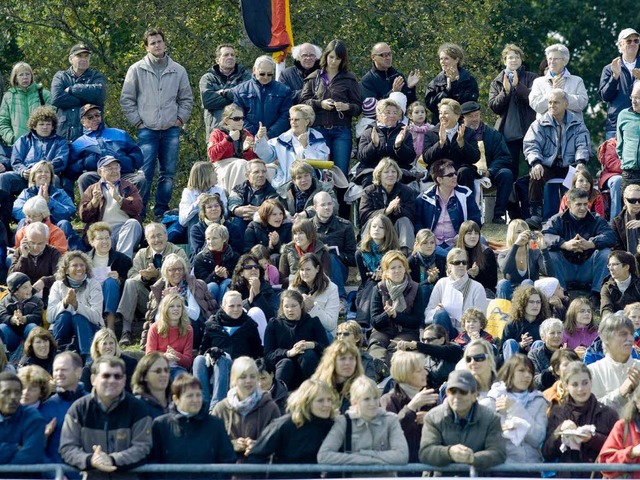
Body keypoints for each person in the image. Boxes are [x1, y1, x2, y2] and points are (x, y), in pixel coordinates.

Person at [120, 27, 194, 219]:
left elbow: (186, 98)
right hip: (147, 130)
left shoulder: (178, 70)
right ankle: (140, 212)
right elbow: (127, 99)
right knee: (144, 175)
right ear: (146, 47)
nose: (157, 45)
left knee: (168, 175)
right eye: (152, 43)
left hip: (171, 129)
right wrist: (137, 122)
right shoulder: (136, 69)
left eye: (159, 41)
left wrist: (180, 119)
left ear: (165, 43)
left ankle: (161, 212)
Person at [59, 356, 152, 478]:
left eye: (117, 376)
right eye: (106, 376)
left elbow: (143, 447)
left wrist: (112, 459)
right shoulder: (78, 408)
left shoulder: (138, 408)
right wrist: (91, 460)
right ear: (93, 379)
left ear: (124, 380)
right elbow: (67, 448)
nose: (112, 380)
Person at [116, 222, 190, 346]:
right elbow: (131, 274)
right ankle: (126, 331)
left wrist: (158, 276)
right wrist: (144, 277)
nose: (156, 240)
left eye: (159, 235)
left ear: (166, 236)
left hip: (170, 299)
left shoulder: (178, 251)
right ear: (147, 240)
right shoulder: (142, 254)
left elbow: (185, 273)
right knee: (130, 283)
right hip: (147, 300)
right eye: (152, 237)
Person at [524, 89, 591, 223]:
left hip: (571, 165)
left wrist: (580, 162)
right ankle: (536, 214)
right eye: (549, 102)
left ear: (566, 103)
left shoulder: (577, 123)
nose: (551, 106)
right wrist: (536, 162)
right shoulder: (539, 124)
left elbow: (583, 145)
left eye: (556, 102)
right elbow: (531, 145)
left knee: (581, 176)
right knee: (535, 174)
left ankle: (575, 213)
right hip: (548, 165)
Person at [419, 369, 506, 471]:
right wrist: (449, 452)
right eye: (453, 391)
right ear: (447, 393)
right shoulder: (433, 417)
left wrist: (473, 458)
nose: (457, 396)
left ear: (474, 395)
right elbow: (425, 452)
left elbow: (498, 453)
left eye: (463, 392)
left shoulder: (491, 418)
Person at [247, 378, 336, 478]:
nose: (327, 405)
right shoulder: (284, 424)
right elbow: (256, 456)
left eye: (329, 400)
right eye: (320, 400)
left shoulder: (333, 426)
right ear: (306, 402)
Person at [542, 188, 616, 307]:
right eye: (578, 204)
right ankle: (562, 294)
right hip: (565, 269)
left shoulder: (596, 219)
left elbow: (611, 236)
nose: (583, 208)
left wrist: (591, 244)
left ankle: (596, 294)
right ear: (569, 204)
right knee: (551, 253)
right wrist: (565, 244)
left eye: (585, 204)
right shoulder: (557, 219)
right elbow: (545, 236)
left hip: (588, 269)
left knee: (605, 252)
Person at [151, 373, 236, 475]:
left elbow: (227, 459)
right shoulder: (161, 425)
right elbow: (152, 464)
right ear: (176, 399)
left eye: (198, 395)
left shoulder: (216, 425)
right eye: (190, 396)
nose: (195, 400)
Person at [318, 375, 409, 470]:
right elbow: (324, 456)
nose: (373, 403)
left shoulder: (391, 420)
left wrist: (368, 454)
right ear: (354, 402)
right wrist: (361, 460)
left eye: (375, 398)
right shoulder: (343, 422)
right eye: (366, 399)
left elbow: (402, 456)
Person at [543, 361, 618, 474]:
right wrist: (559, 432)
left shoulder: (608, 414)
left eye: (585, 383)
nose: (581, 389)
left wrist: (592, 438)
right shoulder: (557, 412)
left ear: (591, 382)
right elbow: (547, 453)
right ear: (566, 386)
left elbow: (618, 450)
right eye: (575, 384)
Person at [300, 39, 362, 176]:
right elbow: (303, 103)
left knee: (340, 172)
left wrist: (347, 106)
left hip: (341, 131)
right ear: (326, 56)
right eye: (331, 57)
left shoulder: (349, 79)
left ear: (343, 60)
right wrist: (320, 104)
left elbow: (358, 107)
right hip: (318, 130)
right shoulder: (314, 77)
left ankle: (340, 198)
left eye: (338, 58)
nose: (333, 61)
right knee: (319, 171)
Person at [0, 106, 68, 228]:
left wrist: (42, 170)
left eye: (48, 124)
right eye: (41, 124)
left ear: (53, 126)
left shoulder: (60, 142)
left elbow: (61, 160)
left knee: (56, 179)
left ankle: (54, 222)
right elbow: (15, 161)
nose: (45, 127)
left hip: (47, 176)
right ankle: (4, 221)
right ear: (34, 126)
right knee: (4, 178)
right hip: (25, 176)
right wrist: (23, 171)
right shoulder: (24, 140)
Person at [194, 290, 262, 411]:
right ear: (223, 306)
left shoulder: (249, 325)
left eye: (239, 305)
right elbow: (202, 350)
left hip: (237, 368)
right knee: (198, 360)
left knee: (223, 359)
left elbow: (257, 353)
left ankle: (216, 407)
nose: (236, 309)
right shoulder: (212, 324)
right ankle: (202, 403)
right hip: (213, 367)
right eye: (231, 306)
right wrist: (210, 353)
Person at [480, 354, 547, 470]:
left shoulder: (539, 401)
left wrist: (514, 408)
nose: (527, 376)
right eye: (521, 370)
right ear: (510, 372)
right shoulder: (491, 402)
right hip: (501, 469)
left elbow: (537, 438)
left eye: (530, 372)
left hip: (532, 468)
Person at [68, 103, 146, 197]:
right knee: (84, 178)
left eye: (97, 115)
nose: (95, 119)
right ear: (83, 122)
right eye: (90, 117)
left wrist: (127, 161)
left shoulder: (120, 133)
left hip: (122, 174)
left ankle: (133, 210)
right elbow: (70, 169)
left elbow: (138, 154)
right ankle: (90, 210)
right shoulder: (78, 143)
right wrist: (85, 163)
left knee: (140, 180)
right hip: (97, 176)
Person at [211, 356, 281, 459]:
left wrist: (260, 446)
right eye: (243, 377)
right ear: (234, 379)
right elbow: (211, 444)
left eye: (252, 376)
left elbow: (279, 445)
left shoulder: (270, 408)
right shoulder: (220, 409)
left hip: (260, 472)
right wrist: (232, 445)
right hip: (227, 472)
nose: (248, 381)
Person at [144, 252, 216, 350]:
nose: (177, 272)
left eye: (179, 269)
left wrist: (177, 298)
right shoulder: (159, 289)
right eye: (172, 270)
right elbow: (157, 319)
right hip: (166, 335)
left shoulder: (192, 285)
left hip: (190, 330)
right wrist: (167, 300)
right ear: (166, 271)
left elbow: (195, 315)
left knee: (187, 321)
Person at [488, 44, 538, 178]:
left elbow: (535, 101)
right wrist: (506, 91)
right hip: (508, 134)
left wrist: (517, 86)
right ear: (504, 61)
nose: (514, 60)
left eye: (517, 57)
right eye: (510, 58)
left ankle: (534, 199)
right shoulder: (497, 81)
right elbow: (494, 107)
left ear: (521, 60)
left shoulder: (532, 78)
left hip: (529, 132)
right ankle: (512, 199)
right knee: (510, 171)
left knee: (536, 169)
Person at [460, 100, 515, 224]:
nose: (474, 119)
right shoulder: (460, 135)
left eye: (477, 115)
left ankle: (498, 214)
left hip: (490, 173)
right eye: (470, 116)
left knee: (506, 174)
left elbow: (504, 157)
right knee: (463, 172)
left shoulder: (493, 134)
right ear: (462, 118)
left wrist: (491, 171)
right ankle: (470, 214)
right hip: (468, 172)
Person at [78, 155, 143, 257]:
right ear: (100, 172)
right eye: (109, 168)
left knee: (133, 223)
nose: (114, 171)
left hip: (126, 232)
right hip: (105, 233)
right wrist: (94, 202)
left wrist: (119, 199)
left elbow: (137, 208)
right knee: (100, 234)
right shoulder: (92, 189)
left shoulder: (129, 187)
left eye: (116, 167)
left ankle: (123, 262)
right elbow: (83, 217)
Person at [380, 350, 438, 463]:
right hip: (401, 468)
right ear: (405, 374)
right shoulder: (388, 400)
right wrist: (411, 408)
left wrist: (431, 418)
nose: (425, 373)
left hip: (427, 465)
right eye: (419, 370)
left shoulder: (429, 397)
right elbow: (389, 432)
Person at [264, 290, 329, 390]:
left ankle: (315, 391)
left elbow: (327, 349)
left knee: (308, 355)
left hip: (307, 370)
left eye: (294, 306)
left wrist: (311, 345)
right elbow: (268, 354)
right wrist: (288, 353)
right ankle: (278, 396)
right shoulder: (274, 324)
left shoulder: (313, 322)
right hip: (286, 372)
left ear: (301, 305)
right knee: (286, 363)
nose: (290, 310)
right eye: (286, 306)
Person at [368, 250, 424, 366]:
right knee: (376, 346)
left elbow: (416, 321)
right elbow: (374, 321)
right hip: (383, 330)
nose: (397, 271)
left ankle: (392, 375)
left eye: (400, 267)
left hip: (407, 331)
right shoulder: (378, 289)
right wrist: (387, 314)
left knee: (397, 348)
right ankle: (380, 371)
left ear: (405, 269)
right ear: (386, 272)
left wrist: (396, 316)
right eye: (393, 268)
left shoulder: (416, 288)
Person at [254, 104, 329, 188]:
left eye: (297, 119)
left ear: (307, 121)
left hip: (311, 184)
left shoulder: (317, 138)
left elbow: (322, 162)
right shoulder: (282, 138)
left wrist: (306, 147)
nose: (293, 122)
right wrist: (260, 138)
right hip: (286, 184)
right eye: (291, 119)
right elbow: (268, 157)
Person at [415, 159, 482, 252]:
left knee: (482, 241)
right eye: (450, 175)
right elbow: (418, 223)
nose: (455, 176)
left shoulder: (465, 194)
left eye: (455, 173)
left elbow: (475, 220)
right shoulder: (424, 198)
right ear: (439, 179)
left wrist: (462, 236)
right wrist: (427, 238)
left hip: (459, 243)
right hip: (432, 245)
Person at [47, 251, 103, 358]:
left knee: (78, 317)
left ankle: (88, 356)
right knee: (65, 315)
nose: (79, 268)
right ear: (67, 270)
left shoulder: (93, 284)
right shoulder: (57, 285)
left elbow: (96, 317)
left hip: (88, 328)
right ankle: (56, 352)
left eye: (82, 265)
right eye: (74, 265)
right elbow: (50, 317)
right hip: (63, 327)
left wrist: (77, 305)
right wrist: (65, 303)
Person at [425, 248, 487, 341]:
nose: (461, 265)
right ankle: (441, 349)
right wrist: (436, 311)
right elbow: (427, 313)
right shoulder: (442, 283)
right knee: (440, 314)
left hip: (466, 335)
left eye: (464, 262)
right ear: (449, 265)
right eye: (457, 262)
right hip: (445, 331)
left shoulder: (477, 287)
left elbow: (482, 319)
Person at [39, 352, 88, 466]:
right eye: (56, 370)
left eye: (64, 369)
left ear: (78, 372)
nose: (59, 374)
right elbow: (38, 449)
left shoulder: (94, 403)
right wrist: (53, 474)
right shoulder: (46, 407)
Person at [50, 43, 107, 142]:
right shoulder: (61, 76)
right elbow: (56, 98)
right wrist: (86, 99)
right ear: (71, 59)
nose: (84, 59)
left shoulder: (96, 76)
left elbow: (100, 94)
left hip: (92, 135)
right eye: (79, 56)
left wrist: (72, 90)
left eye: (86, 56)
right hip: (65, 133)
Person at [359, 157, 416, 252]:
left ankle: (405, 257)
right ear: (379, 174)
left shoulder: (407, 191)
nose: (390, 175)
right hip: (376, 229)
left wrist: (398, 210)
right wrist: (386, 211)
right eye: (386, 172)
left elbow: (412, 215)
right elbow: (364, 216)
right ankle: (368, 255)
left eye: (393, 172)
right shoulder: (368, 191)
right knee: (372, 221)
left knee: (405, 221)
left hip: (395, 230)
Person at [356, 98, 416, 186]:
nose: (392, 115)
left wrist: (399, 146)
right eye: (387, 112)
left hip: (398, 169)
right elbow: (361, 157)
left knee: (401, 181)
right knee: (369, 181)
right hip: (373, 169)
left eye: (395, 113)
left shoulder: (404, 132)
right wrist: (374, 145)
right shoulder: (369, 132)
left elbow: (410, 158)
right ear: (378, 115)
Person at [85, 222, 133, 332]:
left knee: (111, 282)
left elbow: (129, 283)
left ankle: (111, 325)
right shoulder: (84, 259)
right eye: (100, 239)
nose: (105, 242)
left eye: (107, 238)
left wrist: (119, 279)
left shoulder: (123, 259)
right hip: (92, 295)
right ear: (92, 242)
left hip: (112, 295)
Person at [354, 214, 400, 326]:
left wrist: (384, 275)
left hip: (391, 286)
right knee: (371, 282)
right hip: (368, 288)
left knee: (375, 283)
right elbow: (364, 280)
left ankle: (362, 320)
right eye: (373, 226)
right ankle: (363, 321)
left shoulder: (394, 251)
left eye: (381, 227)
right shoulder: (360, 253)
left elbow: (400, 275)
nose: (376, 230)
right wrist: (374, 276)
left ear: (387, 230)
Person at [588, 313, 640, 410]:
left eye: (631, 334)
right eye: (623, 334)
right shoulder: (592, 372)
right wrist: (620, 393)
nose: (630, 339)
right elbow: (590, 411)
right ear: (605, 338)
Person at [232, 55, 292, 138]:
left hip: (276, 138)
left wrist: (270, 134)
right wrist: (254, 134)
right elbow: (237, 116)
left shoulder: (284, 90)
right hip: (247, 139)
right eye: (262, 74)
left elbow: (286, 116)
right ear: (254, 70)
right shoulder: (239, 91)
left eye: (270, 74)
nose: (266, 77)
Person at [312, 191, 357, 302]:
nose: (327, 207)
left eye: (329, 204)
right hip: (314, 268)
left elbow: (352, 257)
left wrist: (337, 255)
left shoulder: (345, 226)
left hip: (338, 269)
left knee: (330, 257)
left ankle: (340, 297)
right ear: (315, 207)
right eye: (323, 205)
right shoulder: (308, 227)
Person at [199, 44, 251, 137]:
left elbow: (247, 97)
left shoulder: (245, 76)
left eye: (232, 55)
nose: (230, 57)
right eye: (226, 55)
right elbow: (207, 101)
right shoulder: (208, 78)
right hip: (216, 134)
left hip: (242, 133)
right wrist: (235, 96)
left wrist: (224, 93)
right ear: (217, 60)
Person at [206, 103, 259, 193]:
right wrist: (228, 139)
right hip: (222, 166)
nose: (241, 122)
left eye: (242, 118)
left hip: (242, 166)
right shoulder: (217, 133)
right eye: (236, 119)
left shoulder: (246, 133)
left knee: (265, 168)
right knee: (241, 164)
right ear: (226, 120)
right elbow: (213, 156)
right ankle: (236, 197)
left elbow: (253, 159)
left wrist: (246, 150)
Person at [599, 28, 640, 140]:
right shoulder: (609, 69)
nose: (633, 43)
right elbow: (605, 96)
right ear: (620, 45)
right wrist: (615, 77)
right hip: (616, 126)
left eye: (636, 41)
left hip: (639, 123)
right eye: (628, 41)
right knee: (614, 158)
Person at [529, 44, 588, 121]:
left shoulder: (577, 81)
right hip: (545, 129)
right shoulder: (538, 82)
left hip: (572, 129)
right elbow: (536, 105)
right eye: (549, 59)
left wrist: (563, 95)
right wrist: (552, 93)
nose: (552, 62)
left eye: (555, 59)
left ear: (565, 61)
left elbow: (582, 104)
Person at [496, 219, 552, 300]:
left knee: (527, 282)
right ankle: (503, 312)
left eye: (525, 232)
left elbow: (550, 273)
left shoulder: (535, 253)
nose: (523, 235)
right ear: (511, 235)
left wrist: (543, 249)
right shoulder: (503, 254)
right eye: (518, 232)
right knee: (502, 283)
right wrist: (516, 245)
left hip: (529, 296)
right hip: (509, 294)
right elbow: (505, 269)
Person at [424, 43, 479, 125]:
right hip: (441, 125)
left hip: (463, 125)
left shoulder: (469, 80)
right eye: (441, 59)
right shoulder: (435, 82)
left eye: (446, 58)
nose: (442, 62)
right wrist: (447, 90)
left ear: (456, 60)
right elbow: (431, 105)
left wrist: (454, 84)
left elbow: (470, 104)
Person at [13, 160, 76, 231]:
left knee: (64, 223)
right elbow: (16, 212)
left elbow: (69, 212)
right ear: (33, 177)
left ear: (51, 176)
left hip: (54, 227)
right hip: (31, 227)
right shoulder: (26, 193)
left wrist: (49, 202)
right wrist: (37, 206)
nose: (43, 174)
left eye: (47, 172)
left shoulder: (60, 193)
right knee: (23, 222)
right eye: (39, 171)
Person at [0, 62, 51, 148]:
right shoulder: (8, 96)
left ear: (31, 76)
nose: (25, 77)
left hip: (42, 144)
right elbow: (3, 122)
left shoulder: (44, 94)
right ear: (15, 78)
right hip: (17, 146)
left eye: (28, 74)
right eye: (21, 75)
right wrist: (12, 138)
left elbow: (53, 119)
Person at [0, 371, 46, 466]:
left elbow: (31, 457)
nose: (13, 397)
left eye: (17, 392)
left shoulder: (33, 417)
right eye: (6, 392)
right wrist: (13, 448)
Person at [9, 222, 60, 303]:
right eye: (32, 243)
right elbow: (12, 277)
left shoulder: (53, 253)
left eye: (40, 243)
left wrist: (45, 281)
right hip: (22, 295)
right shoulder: (19, 251)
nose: (36, 247)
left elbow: (60, 275)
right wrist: (24, 257)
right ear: (25, 239)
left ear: (47, 240)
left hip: (46, 295)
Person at [229, 253, 277, 340]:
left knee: (255, 312)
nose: (254, 269)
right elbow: (230, 311)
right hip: (241, 331)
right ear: (241, 272)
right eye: (249, 267)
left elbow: (271, 316)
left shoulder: (266, 288)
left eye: (256, 266)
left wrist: (257, 294)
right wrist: (250, 300)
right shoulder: (235, 288)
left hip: (263, 331)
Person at [289, 253, 339, 335]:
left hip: (322, 334)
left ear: (317, 268)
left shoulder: (331, 289)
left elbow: (331, 325)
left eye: (308, 269)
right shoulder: (293, 288)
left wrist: (313, 307)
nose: (304, 273)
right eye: (301, 269)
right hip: (299, 332)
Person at [145, 293, 194, 377]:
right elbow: (149, 355)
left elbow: (188, 361)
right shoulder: (154, 328)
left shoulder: (188, 329)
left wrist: (177, 356)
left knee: (181, 381)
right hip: (158, 368)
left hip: (178, 369)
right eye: (171, 306)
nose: (176, 309)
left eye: (179, 306)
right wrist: (164, 356)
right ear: (165, 309)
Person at [227, 159, 279, 234]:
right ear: (247, 175)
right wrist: (237, 210)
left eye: (264, 171)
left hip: (263, 226)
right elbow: (233, 203)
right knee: (236, 222)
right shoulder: (239, 189)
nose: (261, 175)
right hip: (242, 223)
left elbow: (274, 207)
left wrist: (260, 212)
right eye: (256, 172)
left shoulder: (272, 191)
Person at [312, 340, 363, 414]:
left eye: (351, 358)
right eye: (342, 358)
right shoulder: (316, 387)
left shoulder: (361, 388)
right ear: (332, 361)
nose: (347, 363)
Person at [80, 328, 138, 393]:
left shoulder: (131, 364)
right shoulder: (88, 370)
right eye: (104, 344)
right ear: (97, 347)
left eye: (111, 343)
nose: (108, 347)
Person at [178, 161, 227, 236]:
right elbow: (182, 220)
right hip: (198, 229)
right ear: (205, 175)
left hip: (218, 225)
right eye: (213, 172)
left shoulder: (219, 190)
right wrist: (197, 204)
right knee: (195, 217)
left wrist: (214, 209)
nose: (217, 174)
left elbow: (226, 213)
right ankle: (195, 247)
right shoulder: (188, 192)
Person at [0, 271, 43, 356]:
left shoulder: (36, 301)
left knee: (32, 327)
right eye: (25, 287)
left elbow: (38, 316)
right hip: (13, 335)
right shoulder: (5, 301)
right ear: (15, 291)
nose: (29, 289)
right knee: (2, 327)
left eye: (30, 285)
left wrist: (25, 319)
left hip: (28, 334)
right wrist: (12, 319)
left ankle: (31, 353)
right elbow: (2, 316)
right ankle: (8, 353)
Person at [193, 223, 238, 303]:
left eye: (214, 238)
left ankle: (224, 311)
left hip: (227, 293)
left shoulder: (234, 256)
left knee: (228, 282)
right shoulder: (200, 258)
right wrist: (215, 275)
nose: (210, 242)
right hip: (208, 294)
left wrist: (226, 275)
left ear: (224, 239)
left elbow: (239, 278)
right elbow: (201, 283)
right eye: (208, 239)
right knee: (212, 286)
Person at [189, 193, 242, 262]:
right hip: (204, 264)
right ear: (204, 211)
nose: (213, 209)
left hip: (227, 263)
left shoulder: (232, 228)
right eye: (209, 207)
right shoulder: (196, 229)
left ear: (221, 208)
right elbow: (199, 252)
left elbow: (236, 250)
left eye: (216, 206)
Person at [501, 285, 550, 359]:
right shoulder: (512, 325)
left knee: (539, 344)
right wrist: (520, 345)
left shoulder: (545, 325)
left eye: (538, 302)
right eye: (531, 302)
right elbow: (501, 353)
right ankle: (512, 369)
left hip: (537, 364)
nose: (535, 305)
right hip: (516, 362)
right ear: (523, 303)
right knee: (510, 342)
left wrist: (533, 351)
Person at [279, 219, 331, 287]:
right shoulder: (287, 251)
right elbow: (283, 280)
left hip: (317, 288)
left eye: (301, 233)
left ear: (310, 234)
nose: (297, 237)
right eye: (295, 233)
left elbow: (325, 276)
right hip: (295, 289)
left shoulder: (322, 251)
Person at [456, 220, 498, 295]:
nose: (473, 236)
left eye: (476, 233)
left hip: (482, 291)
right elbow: (450, 279)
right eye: (469, 233)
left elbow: (493, 282)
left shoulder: (487, 252)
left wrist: (479, 273)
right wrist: (466, 274)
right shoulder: (455, 253)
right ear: (462, 235)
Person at [408, 228, 446, 305]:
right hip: (417, 300)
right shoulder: (411, 261)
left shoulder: (441, 260)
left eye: (432, 242)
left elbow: (445, 285)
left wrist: (435, 279)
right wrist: (428, 281)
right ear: (418, 245)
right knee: (425, 289)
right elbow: (410, 288)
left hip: (439, 298)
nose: (429, 246)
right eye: (425, 243)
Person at [527, 317, 564, 390]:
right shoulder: (534, 354)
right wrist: (552, 369)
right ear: (543, 337)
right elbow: (534, 382)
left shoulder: (568, 353)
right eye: (552, 333)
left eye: (559, 332)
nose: (556, 336)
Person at [131, 352, 171, 418]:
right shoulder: (137, 406)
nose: (164, 374)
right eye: (158, 371)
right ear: (145, 376)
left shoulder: (177, 401)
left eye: (166, 370)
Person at [601, 250, 640, 316]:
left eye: (614, 264)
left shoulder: (638, 285)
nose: (611, 268)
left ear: (626, 267)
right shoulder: (607, 287)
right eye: (609, 265)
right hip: (616, 322)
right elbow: (605, 309)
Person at [616, 82, 640, 189]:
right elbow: (619, 145)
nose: (634, 101)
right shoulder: (623, 115)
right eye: (632, 97)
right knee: (628, 205)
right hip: (629, 173)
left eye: (638, 98)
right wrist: (626, 161)